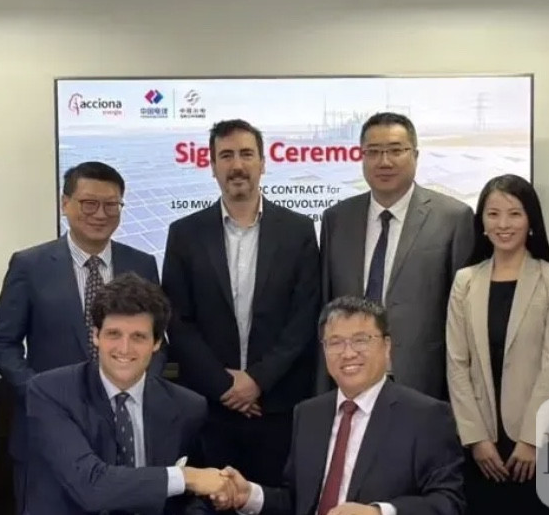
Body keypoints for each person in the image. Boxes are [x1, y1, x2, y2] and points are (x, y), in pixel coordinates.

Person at [0, 161, 161, 512]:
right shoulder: (30, 264)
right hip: (46, 435)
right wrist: (41, 395)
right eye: (88, 203)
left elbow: (156, 342)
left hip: (123, 432)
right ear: (64, 203)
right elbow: (3, 343)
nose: (100, 214)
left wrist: (139, 394)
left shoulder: (142, 264)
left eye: (111, 205)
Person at [162, 119, 321, 486]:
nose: (237, 165)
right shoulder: (184, 234)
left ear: (263, 163)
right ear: (212, 165)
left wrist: (257, 381)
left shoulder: (297, 230)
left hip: (277, 406)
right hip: (209, 407)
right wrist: (224, 385)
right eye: (226, 155)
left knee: (275, 503)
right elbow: (177, 321)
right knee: (209, 503)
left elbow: (304, 318)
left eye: (247, 154)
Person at [215, 296, 465, 515]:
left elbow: (449, 503)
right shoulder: (309, 413)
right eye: (335, 342)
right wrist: (250, 496)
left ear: (387, 346)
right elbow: (298, 502)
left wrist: (378, 512)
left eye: (361, 340)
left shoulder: (425, 416)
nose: (348, 353)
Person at [24, 273, 231, 515]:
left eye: (138, 337)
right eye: (114, 334)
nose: (124, 349)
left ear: (156, 343)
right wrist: (184, 476)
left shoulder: (188, 406)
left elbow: (194, 499)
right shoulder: (50, 392)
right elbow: (91, 487)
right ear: (95, 336)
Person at [319, 112, 474, 400]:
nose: (384, 161)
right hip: (349, 380)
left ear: (415, 155)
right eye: (373, 152)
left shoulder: (453, 218)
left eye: (395, 150)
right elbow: (326, 307)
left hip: (423, 383)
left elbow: (464, 318)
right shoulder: (337, 219)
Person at [445, 174, 549, 514]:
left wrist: (531, 438)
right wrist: (476, 438)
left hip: (536, 443)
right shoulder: (465, 281)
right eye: (493, 214)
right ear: (482, 223)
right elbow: (457, 364)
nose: (503, 224)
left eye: (515, 213)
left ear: (531, 220)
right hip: (481, 443)